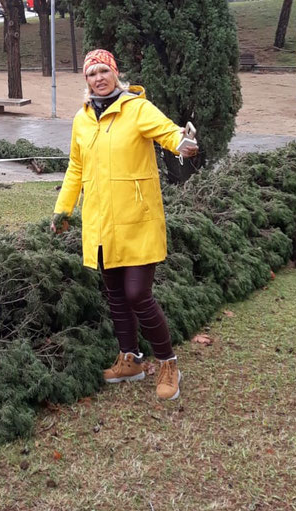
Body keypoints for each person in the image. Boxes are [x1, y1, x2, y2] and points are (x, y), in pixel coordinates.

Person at [51, 49, 199, 402]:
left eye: (104, 71)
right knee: (116, 294)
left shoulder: (136, 109)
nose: (98, 78)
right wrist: (63, 210)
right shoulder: (81, 120)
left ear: (116, 74)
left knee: (137, 294)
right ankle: (129, 358)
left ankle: (168, 363)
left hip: (137, 221)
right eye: (91, 74)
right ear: (86, 81)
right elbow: (75, 168)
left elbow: (167, 133)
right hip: (100, 222)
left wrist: (184, 143)